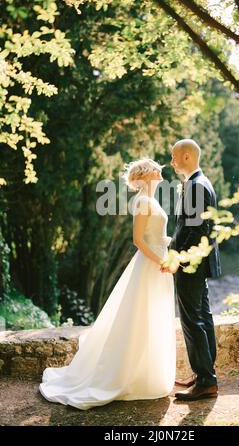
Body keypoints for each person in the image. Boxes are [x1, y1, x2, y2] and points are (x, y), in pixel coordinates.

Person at [39, 158, 176, 410]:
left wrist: (167, 250)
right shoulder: (144, 201)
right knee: (140, 317)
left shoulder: (152, 200)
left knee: (152, 317)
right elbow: (137, 240)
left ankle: (147, 373)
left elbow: (153, 234)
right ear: (147, 175)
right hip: (150, 265)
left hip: (158, 263)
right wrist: (161, 260)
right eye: (156, 168)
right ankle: (124, 375)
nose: (161, 170)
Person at [162, 139, 221, 401]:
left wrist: (178, 257)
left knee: (192, 320)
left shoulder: (196, 186)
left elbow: (196, 229)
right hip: (198, 262)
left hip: (190, 263)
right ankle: (205, 373)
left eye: (174, 157)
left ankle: (206, 380)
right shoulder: (199, 183)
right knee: (203, 316)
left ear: (187, 156)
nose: (172, 162)